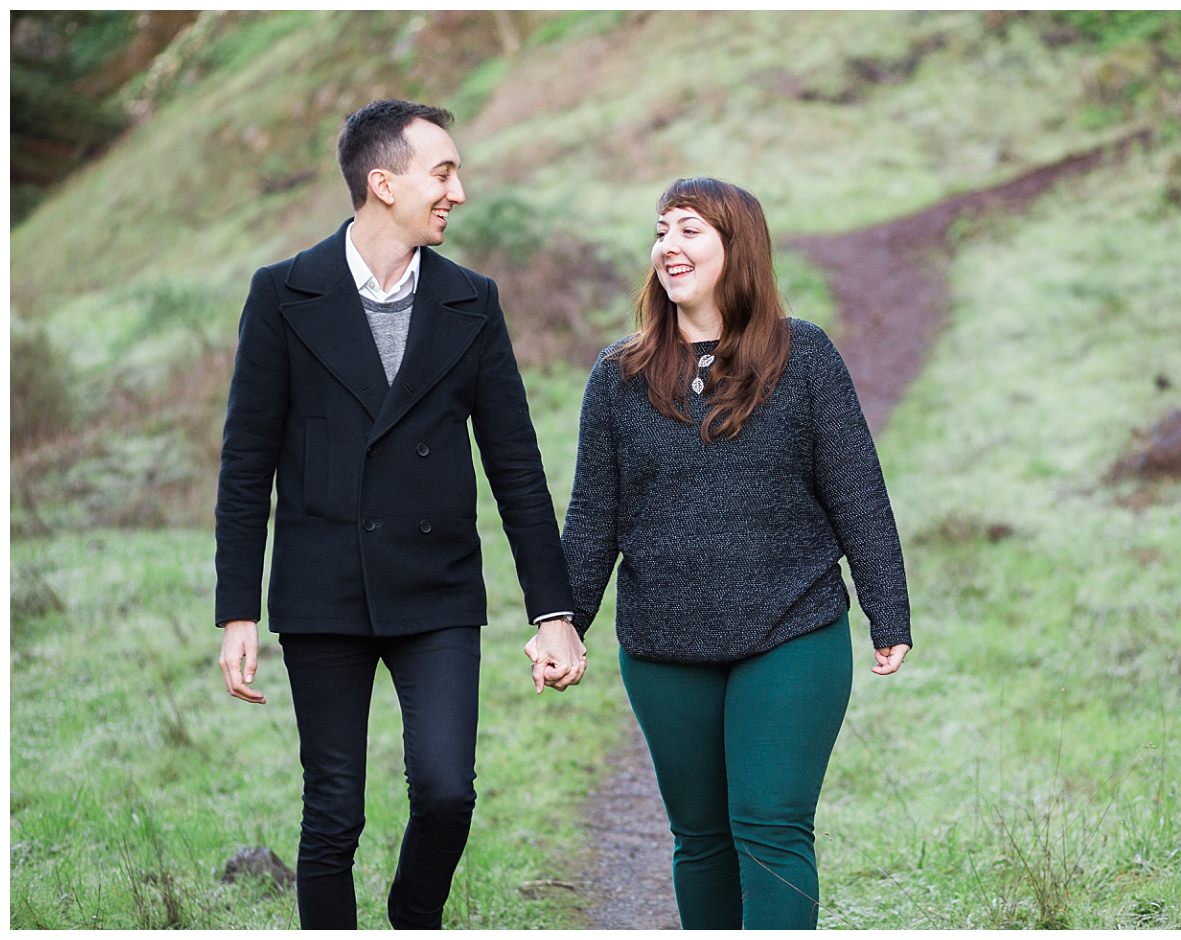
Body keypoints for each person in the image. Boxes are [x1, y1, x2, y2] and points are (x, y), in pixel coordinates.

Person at [214, 98, 587, 930]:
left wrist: (554, 612)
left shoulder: (471, 301)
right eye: (443, 172)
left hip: (437, 587)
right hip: (322, 591)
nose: (459, 190)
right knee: (333, 810)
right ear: (383, 183)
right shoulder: (282, 294)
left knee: (449, 792)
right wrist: (238, 609)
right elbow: (246, 465)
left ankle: (413, 917)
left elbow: (516, 466)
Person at [558, 176, 911, 929]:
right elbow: (593, 514)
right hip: (663, 643)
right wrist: (564, 621)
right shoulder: (617, 377)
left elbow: (858, 492)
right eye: (661, 230)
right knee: (702, 839)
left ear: (735, 248)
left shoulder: (803, 356)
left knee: (771, 822)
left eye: (689, 230)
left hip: (792, 629)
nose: (668, 247)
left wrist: (889, 612)